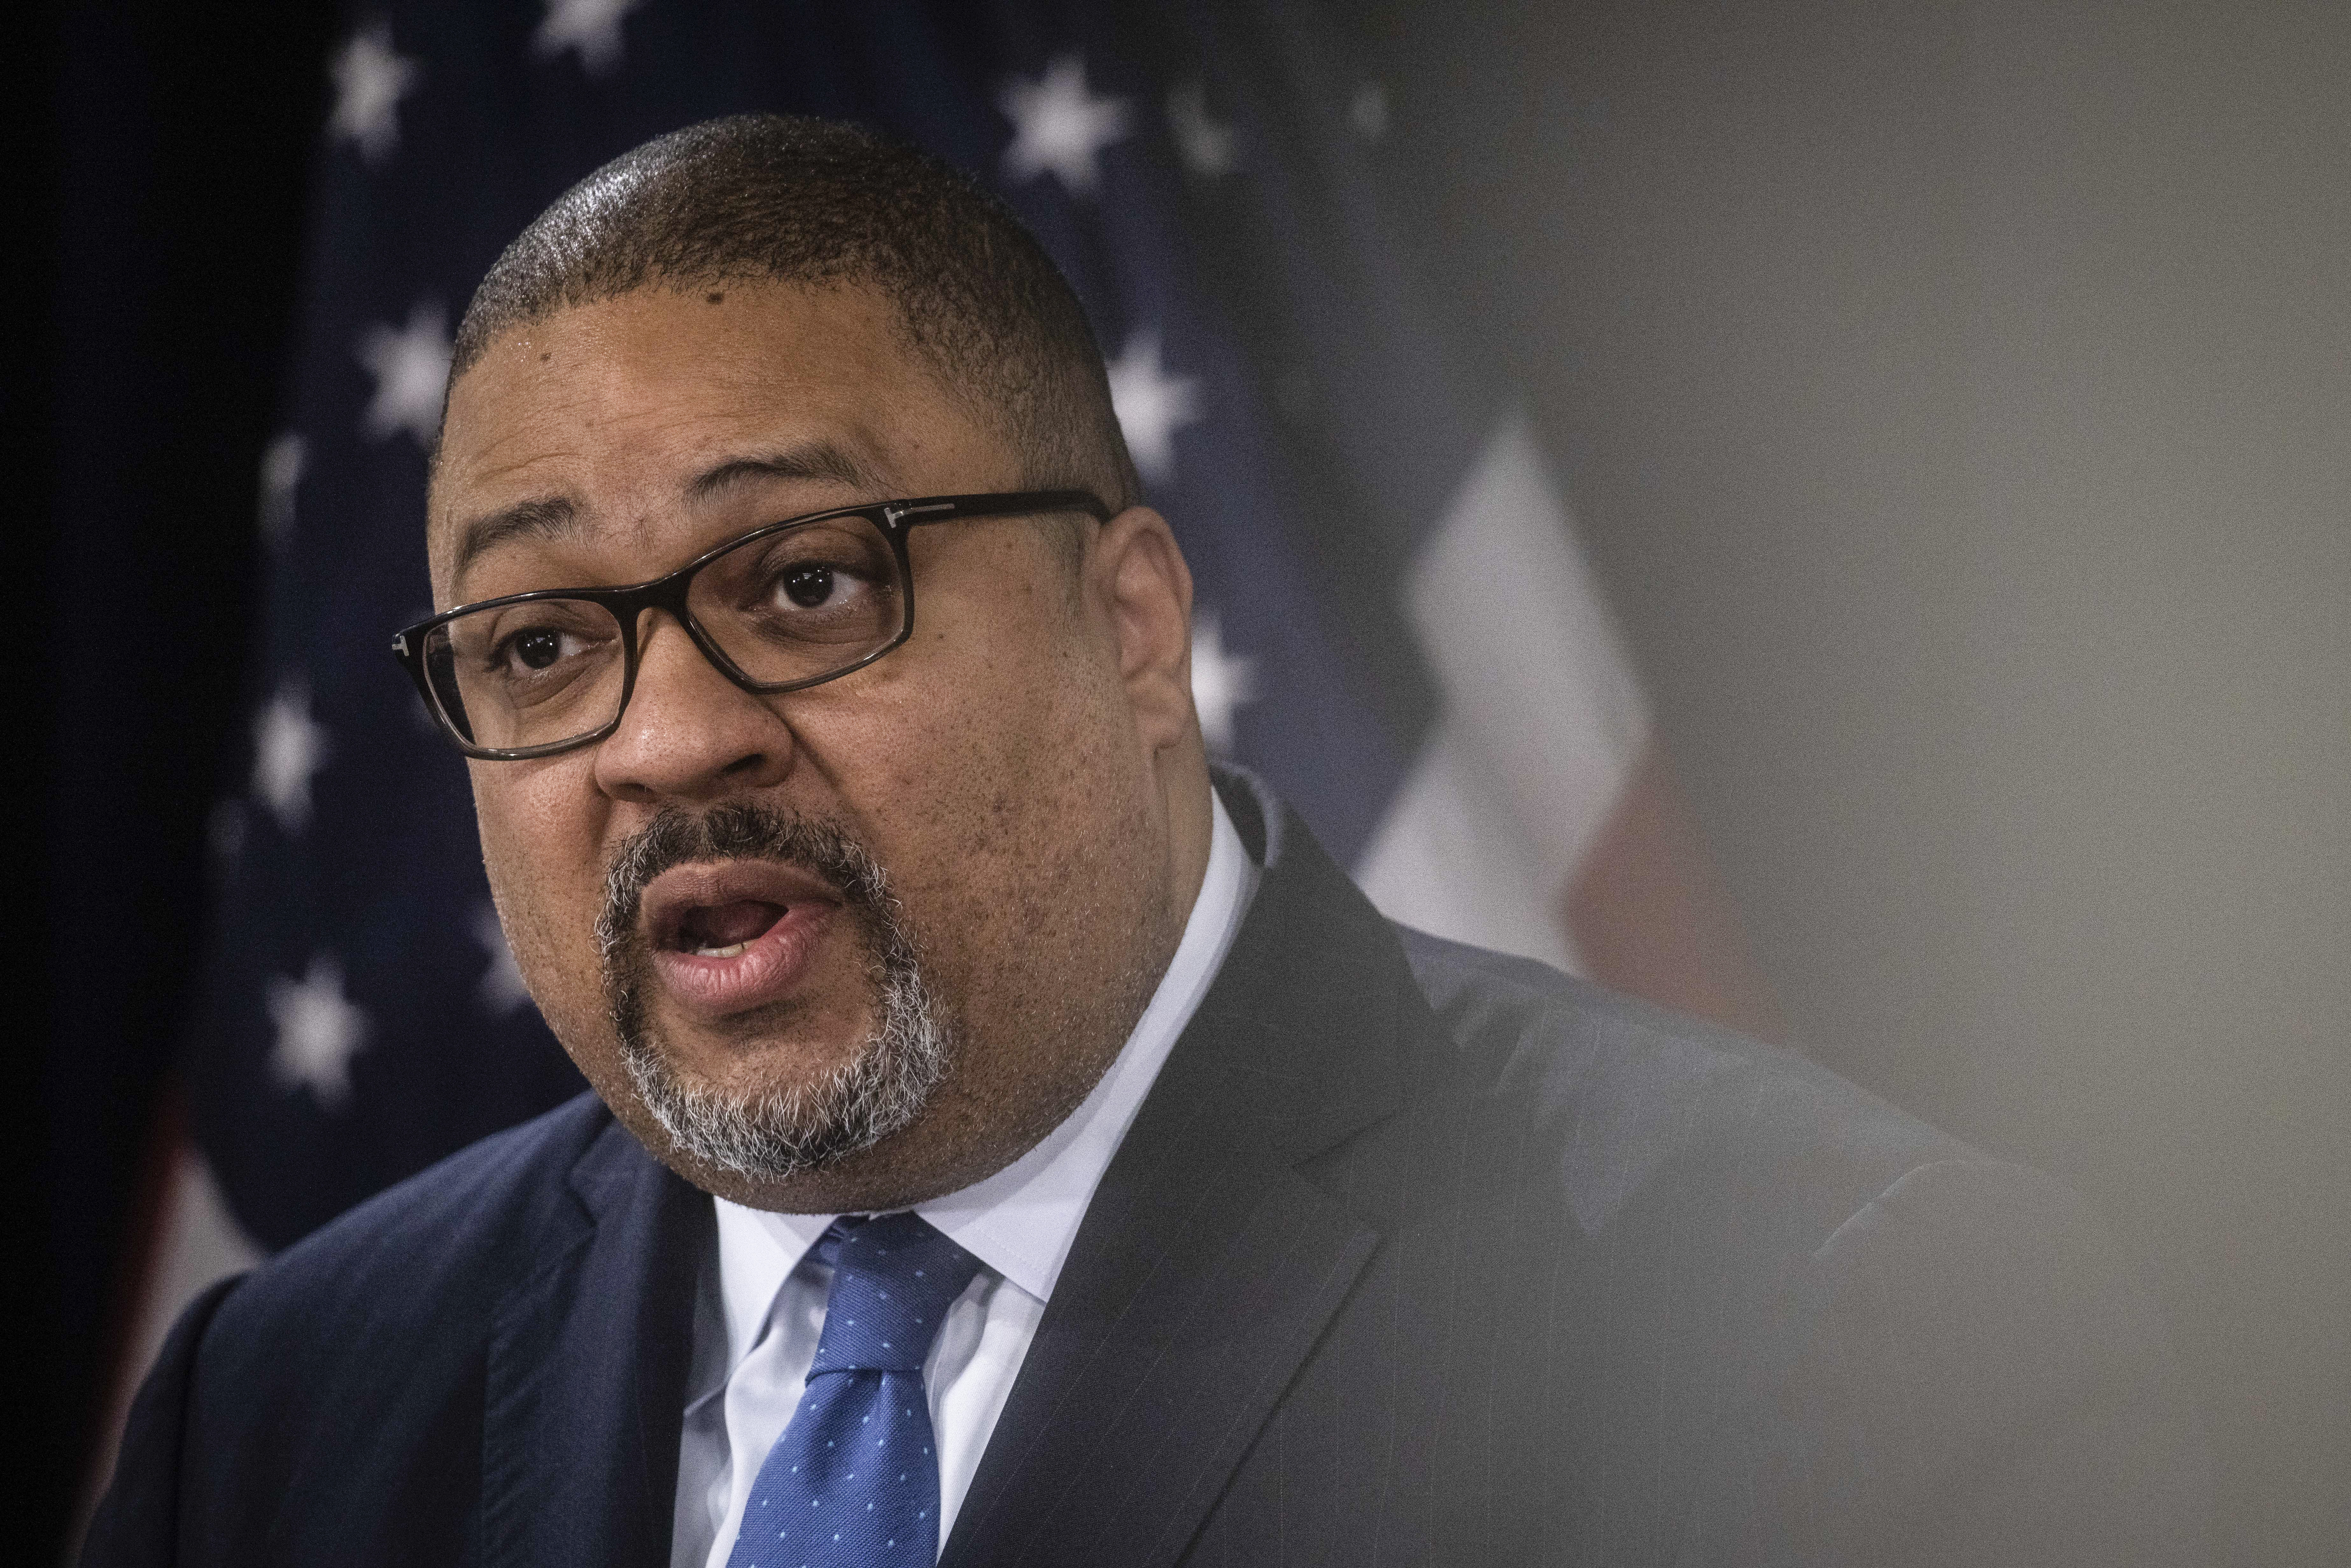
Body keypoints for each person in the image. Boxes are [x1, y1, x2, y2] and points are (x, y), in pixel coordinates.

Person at [85, 115, 2208, 1568]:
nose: (666, 740)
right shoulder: (275, 1417)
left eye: (809, 586)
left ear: (1131, 630)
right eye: (542, 642)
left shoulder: (1830, 1339)